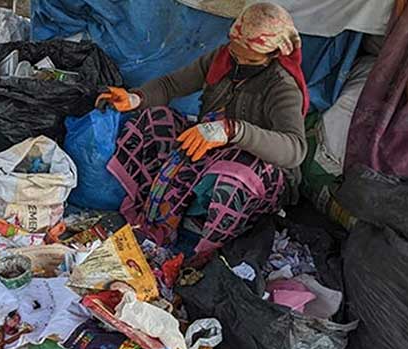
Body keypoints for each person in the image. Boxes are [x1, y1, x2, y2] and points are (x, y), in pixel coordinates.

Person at [96, 2, 307, 256]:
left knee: (234, 176)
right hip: (212, 143)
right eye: (235, 51)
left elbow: (294, 150)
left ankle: (204, 247)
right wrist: (135, 98)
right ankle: (155, 210)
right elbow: (171, 85)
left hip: (259, 168)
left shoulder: (282, 87)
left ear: (273, 54)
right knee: (156, 119)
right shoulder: (224, 58)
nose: (239, 61)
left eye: (249, 58)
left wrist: (233, 131)